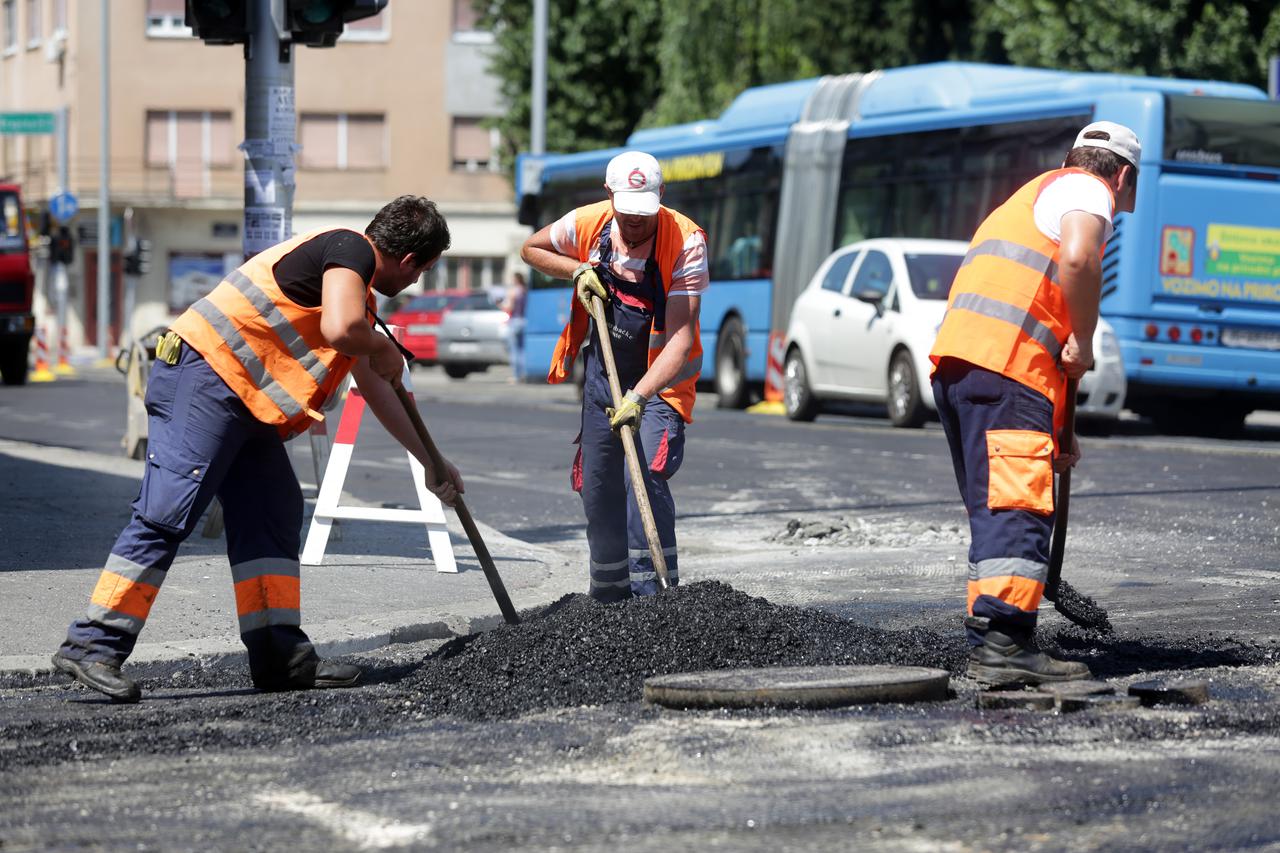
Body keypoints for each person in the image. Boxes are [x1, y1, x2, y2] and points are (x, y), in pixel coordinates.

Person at [52, 195, 465, 702]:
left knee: (273, 510)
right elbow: (341, 331)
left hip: (244, 402)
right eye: (423, 270)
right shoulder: (349, 250)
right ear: (409, 259)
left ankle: (280, 657)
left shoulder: (359, 299)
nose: (418, 281)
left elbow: (376, 387)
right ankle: (93, 644)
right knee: (170, 509)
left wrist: (431, 461)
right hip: (203, 377)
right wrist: (381, 346)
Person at [929, 121, 1141, 686]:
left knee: (996, 511)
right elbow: (1079, 260)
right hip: (1006, 373)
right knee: (1017, 508)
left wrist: (1059, 427)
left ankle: (992, 640)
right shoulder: (1088, 190)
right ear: (1123, 176)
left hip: (962, 370)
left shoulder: (1032, 195)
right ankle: (1004, 647)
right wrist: (1086, 339)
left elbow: (1030, 305)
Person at [520, 151, 707, 602]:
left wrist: (639, 397)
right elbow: (531, 249)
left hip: (659, 384)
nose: (635, 221)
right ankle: (607, 601)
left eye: (644, 211)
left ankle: (655, 600)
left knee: (645, 477)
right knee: (599, 489)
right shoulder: (588, 223)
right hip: (604, 377)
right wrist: (577, 269)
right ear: (609, 195)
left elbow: (680, 341)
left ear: (660, 195)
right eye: (626, 211)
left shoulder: (685, 241)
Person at [501, 271, 528, 381]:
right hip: (524, 321)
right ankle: (524, 374)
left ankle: (516, 376)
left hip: (515, 321)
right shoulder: (525, 290)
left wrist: (501, 305)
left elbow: (509, 307)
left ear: (516, 279)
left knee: (514, 350)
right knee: (522, 350)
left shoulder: (514, 291)